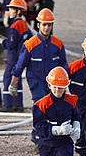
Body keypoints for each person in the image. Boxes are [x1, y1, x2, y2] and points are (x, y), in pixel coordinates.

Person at [10, 8, 68, 145]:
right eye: (44, 24)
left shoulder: (58, 44)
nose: (47, 27)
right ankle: (37, 137)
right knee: (41, 105)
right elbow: (20, 64)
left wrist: (65, 82)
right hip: (36, 81)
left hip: (54, 83)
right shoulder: (30, 44)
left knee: (54, 107)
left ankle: (50, 135)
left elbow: (64, 65)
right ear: (38, 25)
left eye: (49, 25)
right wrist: (14, 81)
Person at [0, 0, 32, 112]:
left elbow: (10, 44)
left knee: (7, 78)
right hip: (21, 56)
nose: (10, 12)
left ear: (18, 11)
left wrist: (3, 42)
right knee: (16, 79)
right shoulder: (24, 24)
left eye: (12, 9)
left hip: (13, 56)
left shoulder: (14, 26)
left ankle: (7, 105)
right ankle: (18, 104)